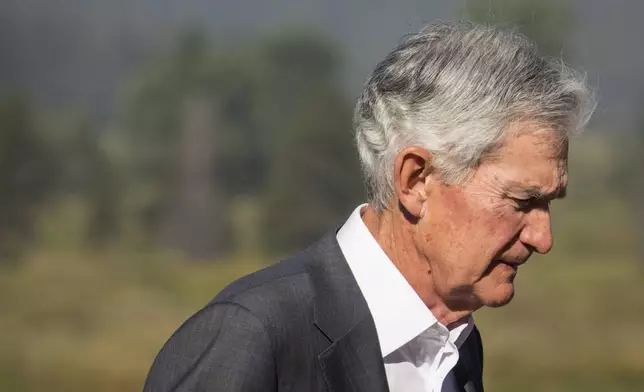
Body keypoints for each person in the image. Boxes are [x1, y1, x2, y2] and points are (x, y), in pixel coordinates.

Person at [143, 22, 594, 392]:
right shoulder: (251, 337)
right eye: (522, 201)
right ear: (416, 180)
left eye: (549, 204)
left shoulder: (456, 351)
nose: (543, 238)